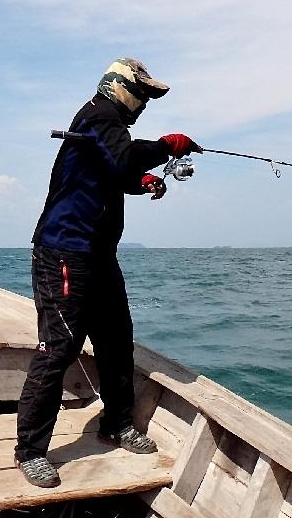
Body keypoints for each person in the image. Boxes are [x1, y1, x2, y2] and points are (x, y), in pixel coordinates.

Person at [14, 57, 201, 488]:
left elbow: (113, 172)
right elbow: (123, 159)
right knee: (58, 348)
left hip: (99, 255)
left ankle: (117, 424)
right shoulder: (99, 116)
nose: (145, 104)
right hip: (64, 252)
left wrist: (144, 182)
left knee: (117, 343)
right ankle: (30, 451)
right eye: (144, 95)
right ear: (121, 87)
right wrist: (167, 145)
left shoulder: (107, 126)